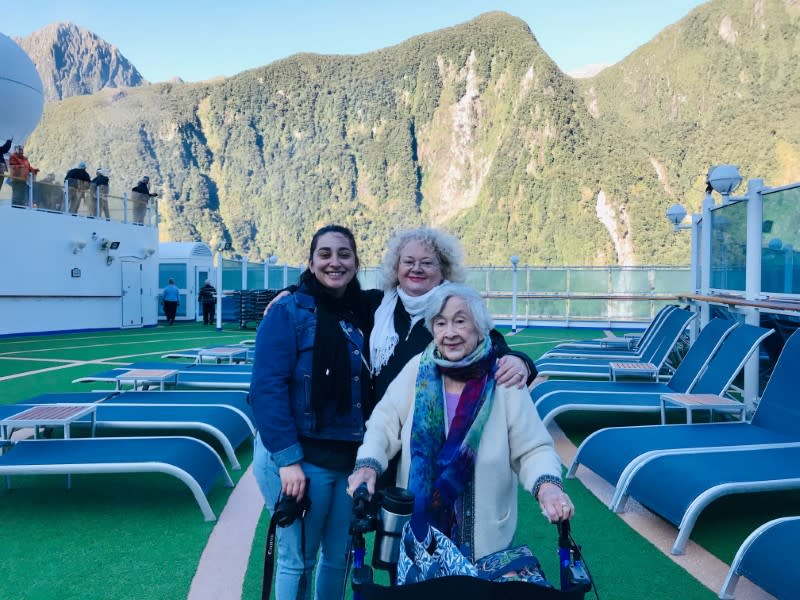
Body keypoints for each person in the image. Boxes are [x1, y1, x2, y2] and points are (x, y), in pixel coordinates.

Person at [348, 283, 574, 566]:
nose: (450, 332)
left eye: (460, 321)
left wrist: (548, 486)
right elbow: (384, 424)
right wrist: (369, 464)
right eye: (440, 323)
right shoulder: (418, 369)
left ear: (479, 328)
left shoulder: (503, 377)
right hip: (419, 536)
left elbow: (533, 449)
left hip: (485, 544)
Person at [250, 224, 378, 600]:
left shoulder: (367, 310)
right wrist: (288, 459)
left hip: (352, 460)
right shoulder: (288, 312)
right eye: (325, 254)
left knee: (339, 557)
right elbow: (266, 389)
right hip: (302, 460)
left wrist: (511, 355)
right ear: (310, 262)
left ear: (356, 262)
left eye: (344, 254)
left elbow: (439, 307)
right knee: (297, 561)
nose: (334, 262)